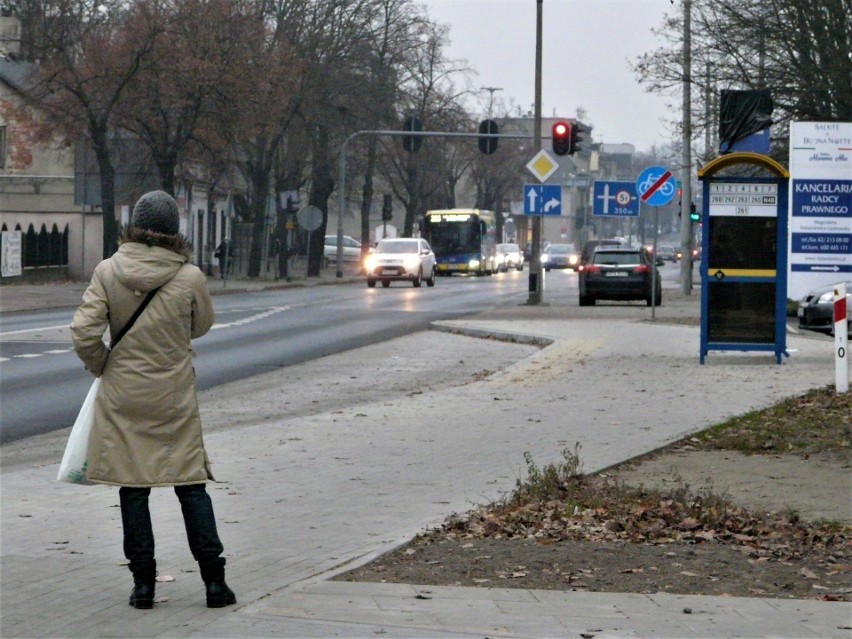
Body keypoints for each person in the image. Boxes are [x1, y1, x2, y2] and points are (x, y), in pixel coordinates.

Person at [70, 190, 236, 610]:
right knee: (191, 487)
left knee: (134, 490)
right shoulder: (190, 277)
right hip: (174, 396)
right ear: (173, 231)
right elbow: (201, 325)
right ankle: (215, 584)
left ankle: (143, 586)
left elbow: (84, 333)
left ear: (134, 226)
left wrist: (104, 364)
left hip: (123, 396)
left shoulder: (108, 272)